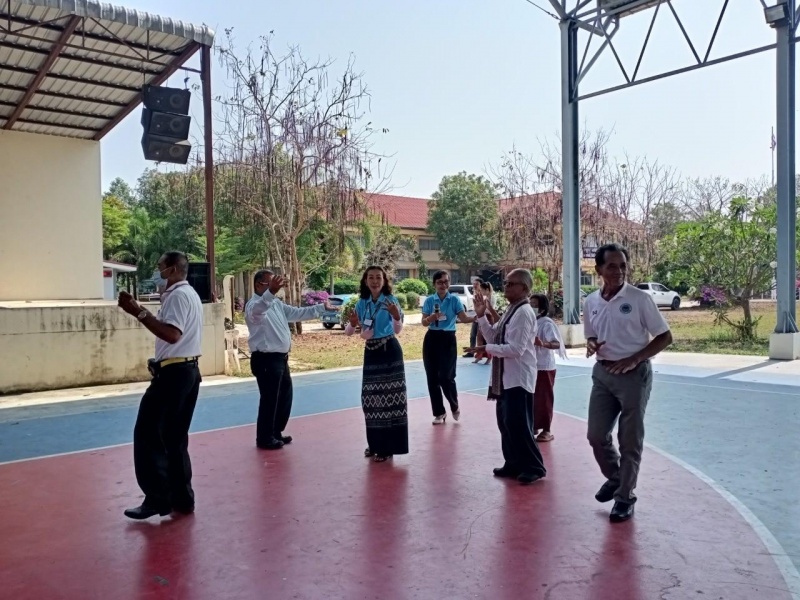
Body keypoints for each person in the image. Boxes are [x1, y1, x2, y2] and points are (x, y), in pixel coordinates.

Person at [584, 243, 673, 523]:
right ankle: (616, 478)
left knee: (630, 440)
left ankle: (624, 497)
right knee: (596, 436)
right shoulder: (591, 301)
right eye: (612, 266)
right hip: (603, 374)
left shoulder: (639, 298)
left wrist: (635, 359)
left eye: (622, 265)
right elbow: (592, 334)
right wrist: (591, 343)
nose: (619, 271)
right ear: (599, 270)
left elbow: (665, 336)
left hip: (634, 375)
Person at [117, 251, 203, 520]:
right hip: (186, 371)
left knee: (148, 434)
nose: (158, 273)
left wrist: (138, 312)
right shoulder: (189, 294)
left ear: (173, 269)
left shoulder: (177, 296)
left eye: (160, 268)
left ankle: (157, 498)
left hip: (175, 375)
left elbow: (172, 334)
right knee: (175, 439)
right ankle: (181, 498)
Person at [465, 268, 546, 485]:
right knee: (506, 423)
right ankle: (513, 462)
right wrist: (481, 316)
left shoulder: (523, 312)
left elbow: (516, 349)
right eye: (506, 283)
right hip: (504, 378)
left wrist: (486, 348)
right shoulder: (512, 310)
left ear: (524, 288)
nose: (506, 287)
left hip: (518, 377)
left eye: (511, 284)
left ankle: (534, 467)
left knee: (519, 424)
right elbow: (494, 335)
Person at [246, 270, 338, 450]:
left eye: (276, 284)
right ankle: (264, 437)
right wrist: (271, 292)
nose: (276, 287)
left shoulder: (276, 304)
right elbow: (259, 310)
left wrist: (321, 308)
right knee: (270, 399)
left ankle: (275, 431)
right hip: (265, 359)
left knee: (284, 397)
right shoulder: (253, 306)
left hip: (280, 358)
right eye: (271, 283)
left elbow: (297, 313)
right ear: (258, 285)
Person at [345, 265, 408, 462]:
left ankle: (388, 448)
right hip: (371, 352)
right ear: (365, 281)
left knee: (391, 401)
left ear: (384, 280)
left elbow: (398, 330)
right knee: (371, 400)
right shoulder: (361, 303)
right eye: (371, 277)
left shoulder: (391, 301)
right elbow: (349, 332)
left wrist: (396, 316)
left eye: (378, 277)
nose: (374, 281)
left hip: (389, 351)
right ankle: (375, 444)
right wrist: (352, 323)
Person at [421, 270, 474, 424]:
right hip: (432, 338)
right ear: (434, 284)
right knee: (432, 378)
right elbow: (423, 322)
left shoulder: (454, 300)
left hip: (448, 338)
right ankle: (439, 412)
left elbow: (463, 318)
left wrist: (478, 316)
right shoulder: (429, 300)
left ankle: (454, 405)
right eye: (439, 282)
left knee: (446, 376)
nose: (443, 285)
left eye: (446, 281)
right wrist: (430, 318)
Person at [529, 293, 567, 443]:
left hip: (544, 366)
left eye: (534, 305)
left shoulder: (546, 323)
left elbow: (556, 343)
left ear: (542, 308)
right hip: (531, 365)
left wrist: (543, 343)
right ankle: (534, 425)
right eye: (530, 304)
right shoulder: (530, 321)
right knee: (531, 398)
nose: (531, 307)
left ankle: (546, 429)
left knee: (544, 398)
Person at [473, 281, 496, 364]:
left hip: (489, 318)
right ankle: (479, 355)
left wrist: (483, 311)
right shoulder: (483, 297)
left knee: (488, 339)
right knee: (479, 337)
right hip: (482, 317)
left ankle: (489, 357)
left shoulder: (492, 298)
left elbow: (491, 309)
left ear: (487, 290)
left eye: (482, 290)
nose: (481, 291)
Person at [464, 278, 482, 358]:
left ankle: (481, 353)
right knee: (472, 335)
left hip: (482, 318)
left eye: (476, 284)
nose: (474, 285)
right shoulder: (474, 293)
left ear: (481, 285)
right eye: (474, 284)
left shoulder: (483, 294)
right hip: (475, 318)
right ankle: (471, 352)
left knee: (481, 337)